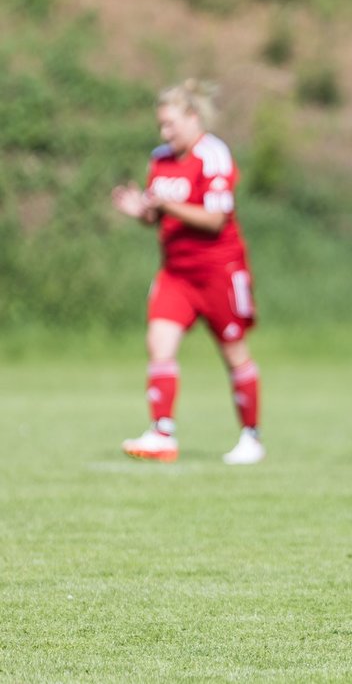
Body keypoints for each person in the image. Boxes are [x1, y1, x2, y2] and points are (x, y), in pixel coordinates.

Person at [111, 80, 264, 465]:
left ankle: (251, 436)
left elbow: (214, 219)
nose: (164, 133)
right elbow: (159, 214)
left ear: (192, 118)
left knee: (234, 354)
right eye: (161, 125)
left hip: (220, 272)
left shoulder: (214, 155)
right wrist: (142, 213)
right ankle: (162, 432)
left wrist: (164, 204)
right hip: (176, 273)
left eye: (170, 124)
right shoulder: (160, 158)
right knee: (158, 343)